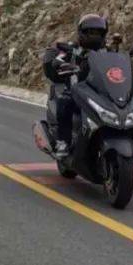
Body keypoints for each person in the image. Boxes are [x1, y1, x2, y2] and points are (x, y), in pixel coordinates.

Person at [41, 13, 109, 158]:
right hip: (78, 90)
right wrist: (60, 63)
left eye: (98, 32)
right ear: (82, 33)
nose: (94, 36)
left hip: (101, 92)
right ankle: (62, 141)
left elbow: (118, 64)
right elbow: (57, 59)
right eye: (91, 32)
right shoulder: (72, 49)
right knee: (65, 101)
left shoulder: (107, 52)